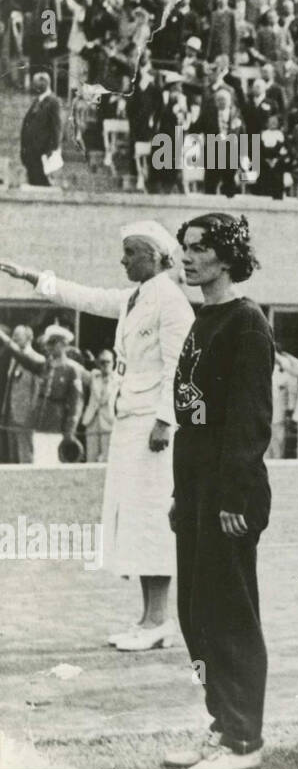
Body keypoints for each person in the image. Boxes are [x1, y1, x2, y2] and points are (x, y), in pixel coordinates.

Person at [2, 223, 195, 647]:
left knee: (150, 519)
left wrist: (166, 420)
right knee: (132, 518)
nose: (122, 259)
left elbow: (181, 368)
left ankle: (160, 619)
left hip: (154, 429)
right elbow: (84, 296)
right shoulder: (134, 298)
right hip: (131, 422)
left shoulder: (173, 302)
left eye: (130, 252)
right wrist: (32, 276)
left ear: (157, 256)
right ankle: (148, 619)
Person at [165, 213, 273, 769]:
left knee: (229, 613)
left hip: (232, 494)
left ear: (226, 258)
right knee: (194, 611)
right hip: (199, 487)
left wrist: (234, 498)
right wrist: (185, 495)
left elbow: (250, 421)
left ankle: (244, 741)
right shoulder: (203, 317)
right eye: (184, 247)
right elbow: (192, 418)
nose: (187, 257)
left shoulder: (246, 321)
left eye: (199, 248)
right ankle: (221, 722)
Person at [0, 324, 84, 466]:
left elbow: (77, 403)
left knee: (54, 466)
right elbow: (21, 356)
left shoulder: (71, 369)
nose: (48, 347)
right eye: (47, 343)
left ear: (63, 344)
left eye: (52, 342)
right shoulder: (44, 366)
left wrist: (70, 431)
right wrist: (3, 337)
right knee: (39, 465)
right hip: (39, 424)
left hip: (58, 427)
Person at [0, 325, 38, 464]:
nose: (14, 339)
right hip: (10, 416)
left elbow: (36, 392)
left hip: (25, 418)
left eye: (18, 336)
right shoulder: (13, 360)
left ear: (29, 338)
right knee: (12, 457)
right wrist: (5, 409)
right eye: (13, 336)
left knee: (24, 456)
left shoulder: (36, 360)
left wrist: (32, 416)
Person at [20, 71, 61, 187]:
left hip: (42, 151)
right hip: (31, 151)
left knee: (42, 184)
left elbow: (56, 127)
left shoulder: (53, 102)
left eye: (36, 83)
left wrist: (52, 149)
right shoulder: (37, 101)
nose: (34, 86)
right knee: (33, 181)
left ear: (45, 83)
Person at [82, 350, 119, 463]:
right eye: (102, 362)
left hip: (109, 422)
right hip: (92, 421)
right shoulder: (94, 376)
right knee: (91, 457)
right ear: (98, 363)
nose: (105, 365)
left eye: (108, 362)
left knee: (108, 458)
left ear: (113, 363)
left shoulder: (118, 380)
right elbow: (81, 370)